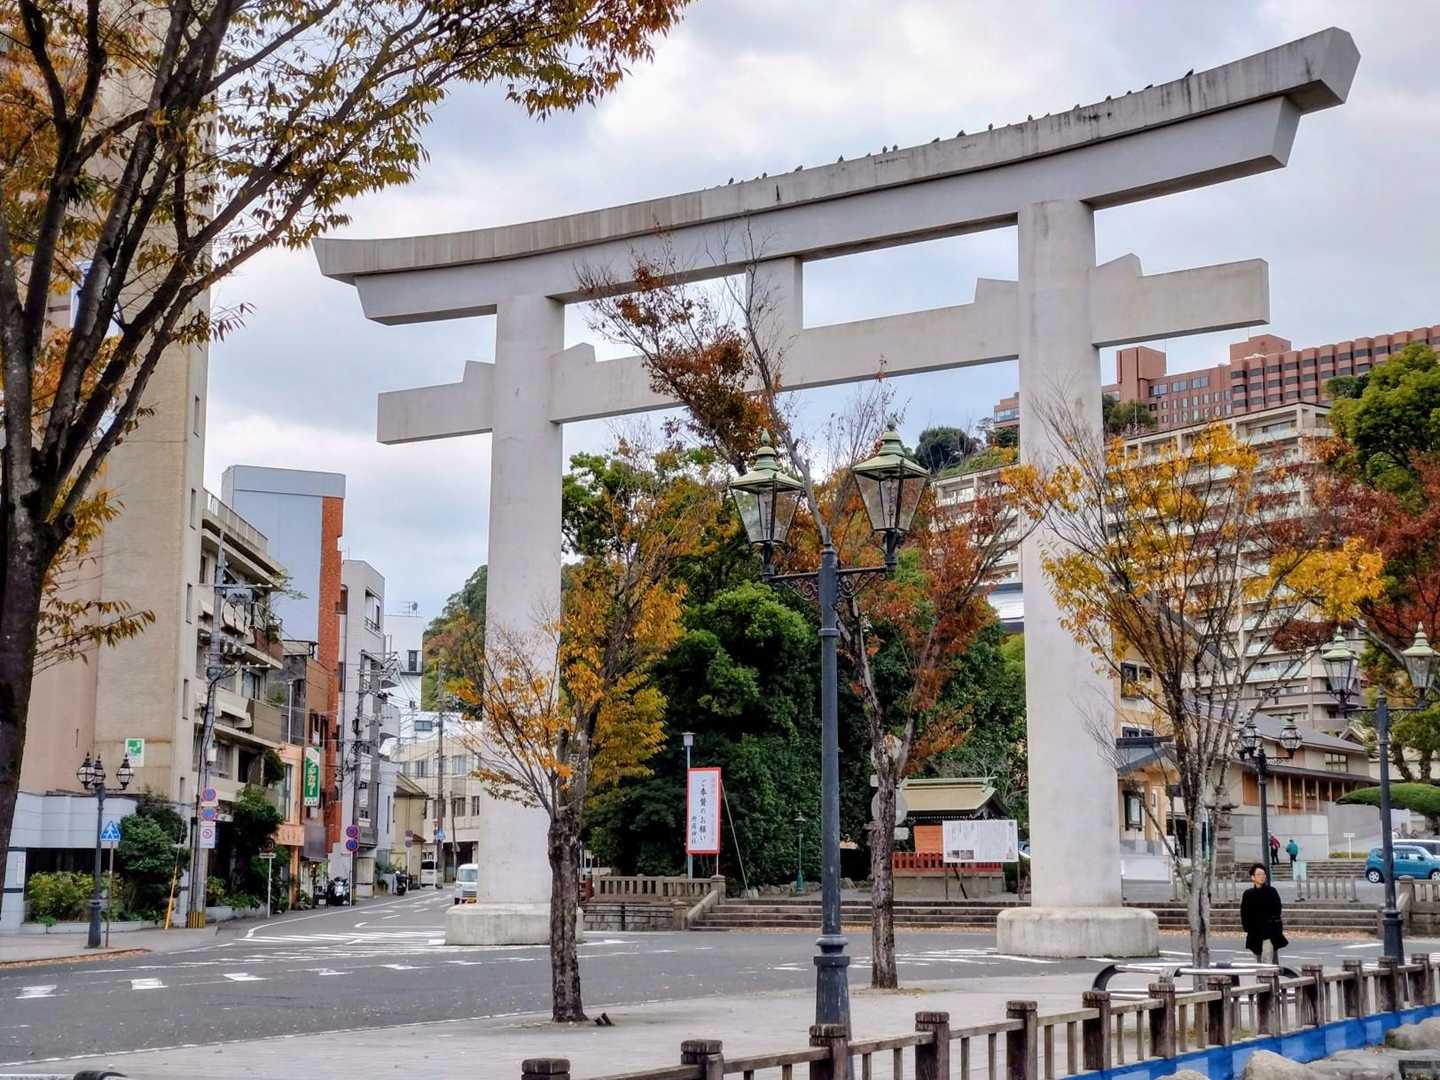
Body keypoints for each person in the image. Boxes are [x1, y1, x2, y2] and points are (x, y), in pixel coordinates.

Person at [1240, 862, 1288, 965]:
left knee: (1267, 959)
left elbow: (1277, 909)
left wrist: (1274, 925)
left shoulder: (1272, 891)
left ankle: (1269, 975)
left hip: (1269, 932)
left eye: (1263, 874)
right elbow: (1244, 912)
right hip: (1254, 933)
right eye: (1259, 874)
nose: (1262, 877)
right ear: (1253, 877)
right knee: (1258, 960)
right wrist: (1247, 928)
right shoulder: (1248, 894)